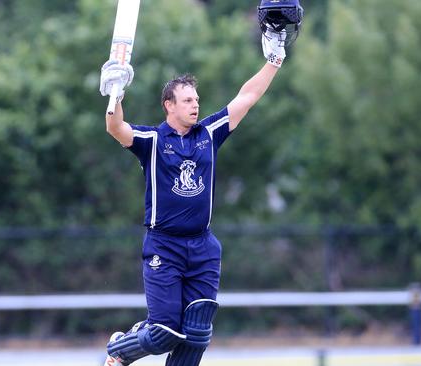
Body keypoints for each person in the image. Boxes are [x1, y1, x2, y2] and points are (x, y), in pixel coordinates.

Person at [98, 2, 302, 365]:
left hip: (203, 246)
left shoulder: (209, 133)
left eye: (197, 100)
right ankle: (119, 349)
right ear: (168, 106)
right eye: (187, 100)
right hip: (164, 246)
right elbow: (116, 128)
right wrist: (115, 95)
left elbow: (247, 97)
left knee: (197, 334)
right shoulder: (153, 141)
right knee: (163, 332)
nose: (195, 106)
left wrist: (274, 61)